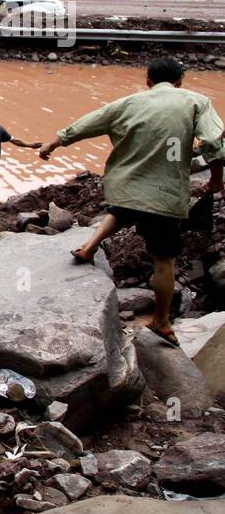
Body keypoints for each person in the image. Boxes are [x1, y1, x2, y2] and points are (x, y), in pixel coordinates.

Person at [40, 57, 225, 344]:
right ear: (179, 83)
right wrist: (216, 179)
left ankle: (89, 247)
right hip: (165, 194)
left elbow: (90, 122)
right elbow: (214, 142)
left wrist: (55, 141)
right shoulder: (196, 101)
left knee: (123, 210)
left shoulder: (127, 103)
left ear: (148, 81)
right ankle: (162, 322)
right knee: (164, 258)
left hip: (125, 186)